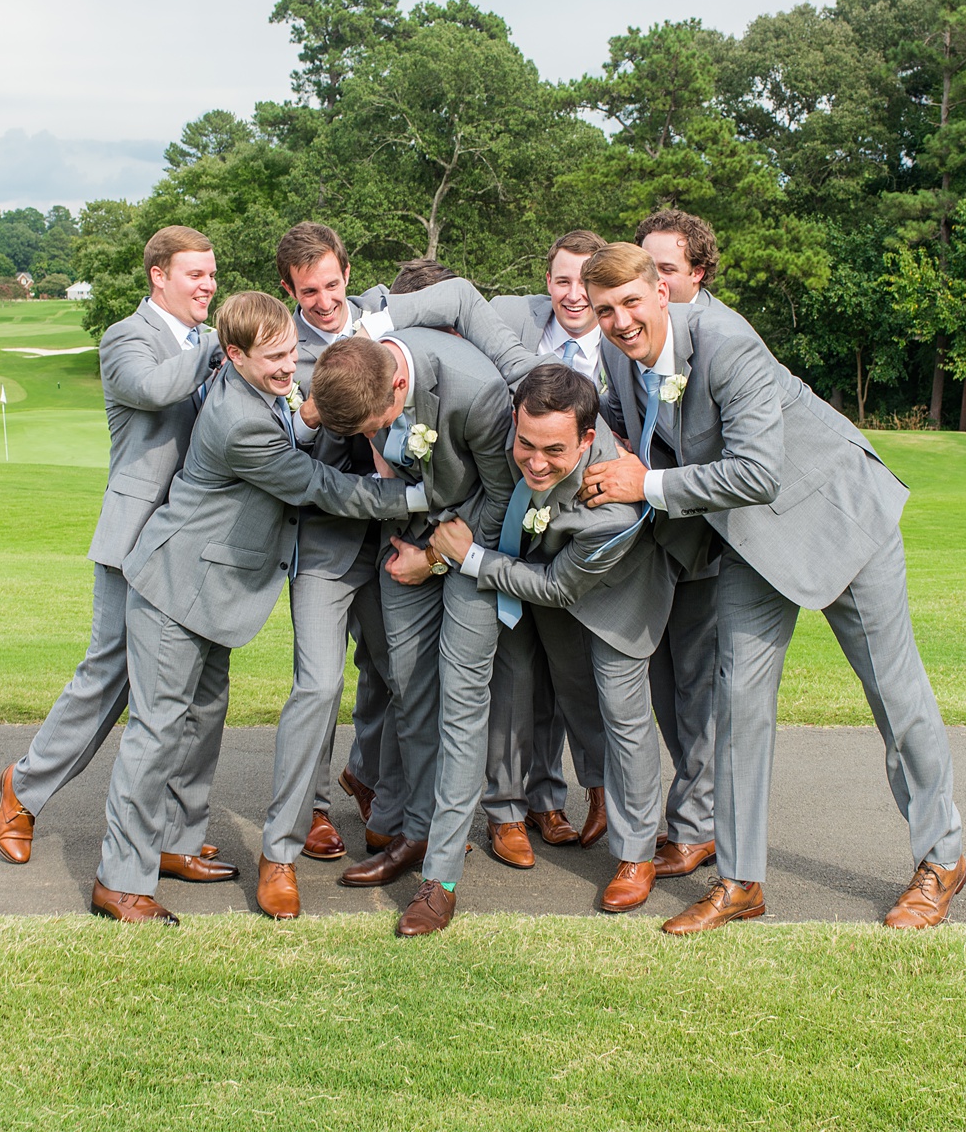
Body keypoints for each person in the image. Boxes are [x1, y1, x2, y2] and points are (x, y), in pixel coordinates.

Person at [575, 243, 966, 934]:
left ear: (662, 292)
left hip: (837, 513)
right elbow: (626, 424)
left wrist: (649, 485)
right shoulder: (612, 356)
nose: (619, 320)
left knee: (894, 695)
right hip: (749, 540)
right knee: (737, 700)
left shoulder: (727, 344)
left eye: (631, 302)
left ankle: (942, 857)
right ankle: (741, 881)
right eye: (605, 310)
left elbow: (757, 472)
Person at [91, 292, 423, 923]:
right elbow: (316, 485)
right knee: (157, 731)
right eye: (273, 358)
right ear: (235, 354)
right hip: (177, 583)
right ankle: (120, 879)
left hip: (214, 588)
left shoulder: (255, 388)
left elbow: (293, 420)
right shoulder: (239, 421)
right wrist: (407, 498)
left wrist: (305, 407)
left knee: (202, 718)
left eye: (291, 351)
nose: (288, 366)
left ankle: (176, 843)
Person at [0, 225, 228, 877]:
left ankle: (176, 835)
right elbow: (154, 391)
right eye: (195, 274)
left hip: (199, 547)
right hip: (136, 539)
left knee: (204, 690)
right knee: (111, 675)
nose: (208, 284)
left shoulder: (207, 346)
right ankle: (25, 787)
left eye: (212, 274)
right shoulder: (129, 337)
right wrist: (218, 345)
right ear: (159, 275)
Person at [428, 364, 675, 912]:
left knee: (621, 712)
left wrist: (470, 557)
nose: (536, 462)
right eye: (526, 444)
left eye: (554, 452)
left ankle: (635, 854)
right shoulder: (519, 433)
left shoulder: (612, 510)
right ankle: (556, 801)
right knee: (564, 692)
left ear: (587, 441)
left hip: (613, 594)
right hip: (541, 577)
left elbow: (560, 588)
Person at [307, 332, 522, 936]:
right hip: (404, 542)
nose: (376, 435)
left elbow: (502, 497)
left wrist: (435, 557)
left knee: (459, 703)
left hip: (471, 548)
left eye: (379, 423)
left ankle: (442, 878)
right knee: (406, 683)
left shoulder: (474, 395)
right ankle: (417, 833)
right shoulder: (359, 370)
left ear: (399, 385)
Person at [475, 231, 609, 857]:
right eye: (561, 280)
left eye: (587, 282)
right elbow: (447, 299)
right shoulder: (511, 322)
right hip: (509, 515)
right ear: (546, 281)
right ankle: (504, 808)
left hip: (579, 534)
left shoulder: (623, 341)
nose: (574, 294)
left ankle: (547, 798)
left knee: (565, 676)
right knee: (513, 674)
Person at [275, 222, 398, 860]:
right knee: (319, 684)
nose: (323, 301)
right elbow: (275, 448)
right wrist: (307, 415)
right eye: (308, 293)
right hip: (324, 541)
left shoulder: (384, 324)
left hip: (395, 541)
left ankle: (371, 780)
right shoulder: (283, 351)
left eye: (330, 285)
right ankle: (310, 811)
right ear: (290, 291)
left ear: (347, 273)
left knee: (390, 670)